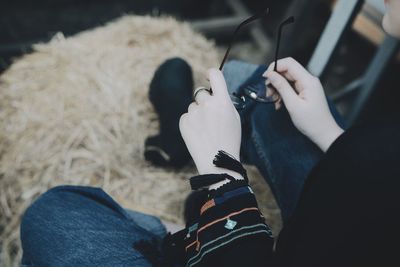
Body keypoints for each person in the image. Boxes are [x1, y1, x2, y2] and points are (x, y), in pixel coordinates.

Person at [20, 1, 400, 266]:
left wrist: (223, 182)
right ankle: (178, 140)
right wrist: (331, 136)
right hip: (356, 206)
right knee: (245, 81)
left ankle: (196, 235)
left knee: (55, 215)